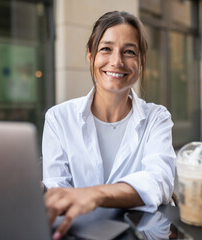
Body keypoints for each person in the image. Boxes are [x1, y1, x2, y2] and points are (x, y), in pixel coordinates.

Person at [42, 11, 175, 240]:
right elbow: (57, 191)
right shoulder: (58, 118)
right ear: (90, 55)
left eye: (129, 52)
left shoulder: (157, 117)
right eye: (106, 49)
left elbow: (160, 180)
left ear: (141, 62)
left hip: (138, 235)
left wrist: (95, 195)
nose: (117, 61)